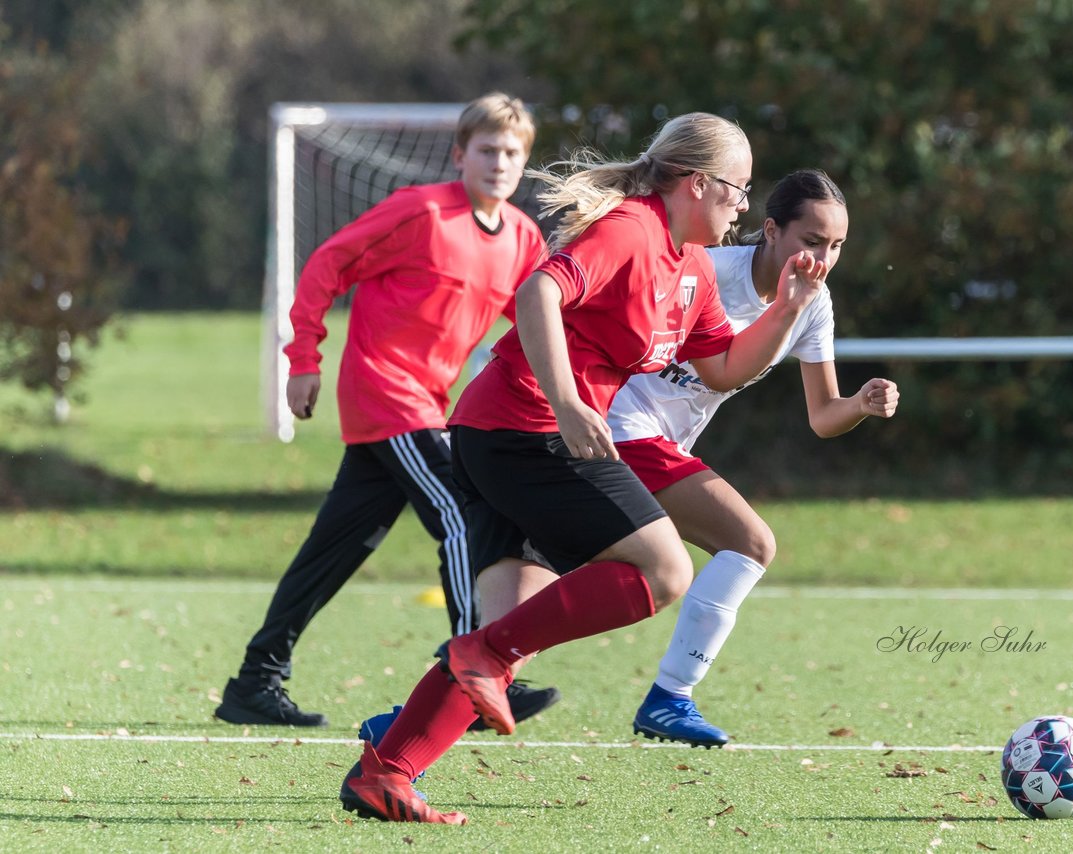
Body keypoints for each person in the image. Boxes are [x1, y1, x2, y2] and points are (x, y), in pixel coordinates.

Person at [337, 111, 829, 824]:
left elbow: (722, 369)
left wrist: (786, 311)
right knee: (663, 572)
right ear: (696, 184)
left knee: (504, 639)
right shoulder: (630, 230)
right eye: (738, 189)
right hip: (519, 430)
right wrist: (567, 403)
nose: (745, 207)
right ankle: (483, 651)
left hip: (504, 436)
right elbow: (537, 291)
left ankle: (386, 773)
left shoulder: (689, 267)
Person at [214, 92, 560, 730]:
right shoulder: (420, 212)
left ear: (525, 162)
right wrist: (304, 361)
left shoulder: (522, 238)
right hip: (385, 392)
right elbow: (326, 265)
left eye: (513, 152)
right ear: (460, 154)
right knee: (462, 514)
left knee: (334, 549)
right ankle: (475, 674)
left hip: (429, 405)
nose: (499, 161)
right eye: (487, 149)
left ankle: (254, 681)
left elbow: (534, 332)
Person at [615, 169, 899, 747]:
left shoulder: (813, 304)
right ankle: (671, 695)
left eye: (837, 245)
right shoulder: (709, 271)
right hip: (622, 428)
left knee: (547, 569)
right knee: (751, 543)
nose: (824, 256)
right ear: (770, 230)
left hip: (660, 445)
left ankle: (457, 683)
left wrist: (861, 405)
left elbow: (823, 416)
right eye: (812, 241)